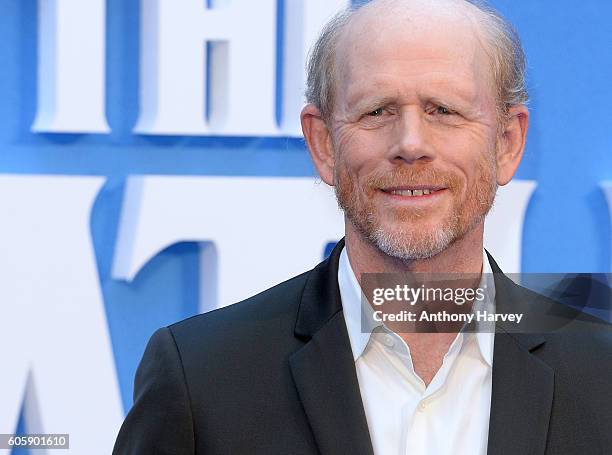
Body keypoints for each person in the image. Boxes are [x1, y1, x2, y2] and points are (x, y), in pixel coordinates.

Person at [113, 0, 612, 453]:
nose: (411, 143)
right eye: (378, 111)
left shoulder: (601, 374)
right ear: (323, 143)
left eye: (444, 110)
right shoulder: (201, 378)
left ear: (507, 143)